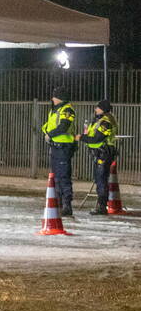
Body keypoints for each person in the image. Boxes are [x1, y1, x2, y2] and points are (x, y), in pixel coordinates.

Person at [77, 99, 118, 216]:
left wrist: (81, 138)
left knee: (101, 181)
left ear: (103, 109)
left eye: (97, 107)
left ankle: (102, 207)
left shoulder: (106, 122)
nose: (95, 109)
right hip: (99, 153)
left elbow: (97, 138)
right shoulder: (97, 121)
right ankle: (101, 205)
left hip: (104, 154)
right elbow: (91, 135)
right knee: (100, 179)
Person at [41, 86, 77, 216]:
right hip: (55, 146)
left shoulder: (67, 109)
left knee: (63, 176)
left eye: (54, 96)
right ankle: (59, 203)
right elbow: (47, 125)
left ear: (59, 98)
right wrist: (47, 132)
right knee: (56, 177)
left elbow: (63, 126)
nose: (52, 99)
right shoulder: (55, 110)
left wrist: (50, 134)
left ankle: (67, 204)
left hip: (63, 147)